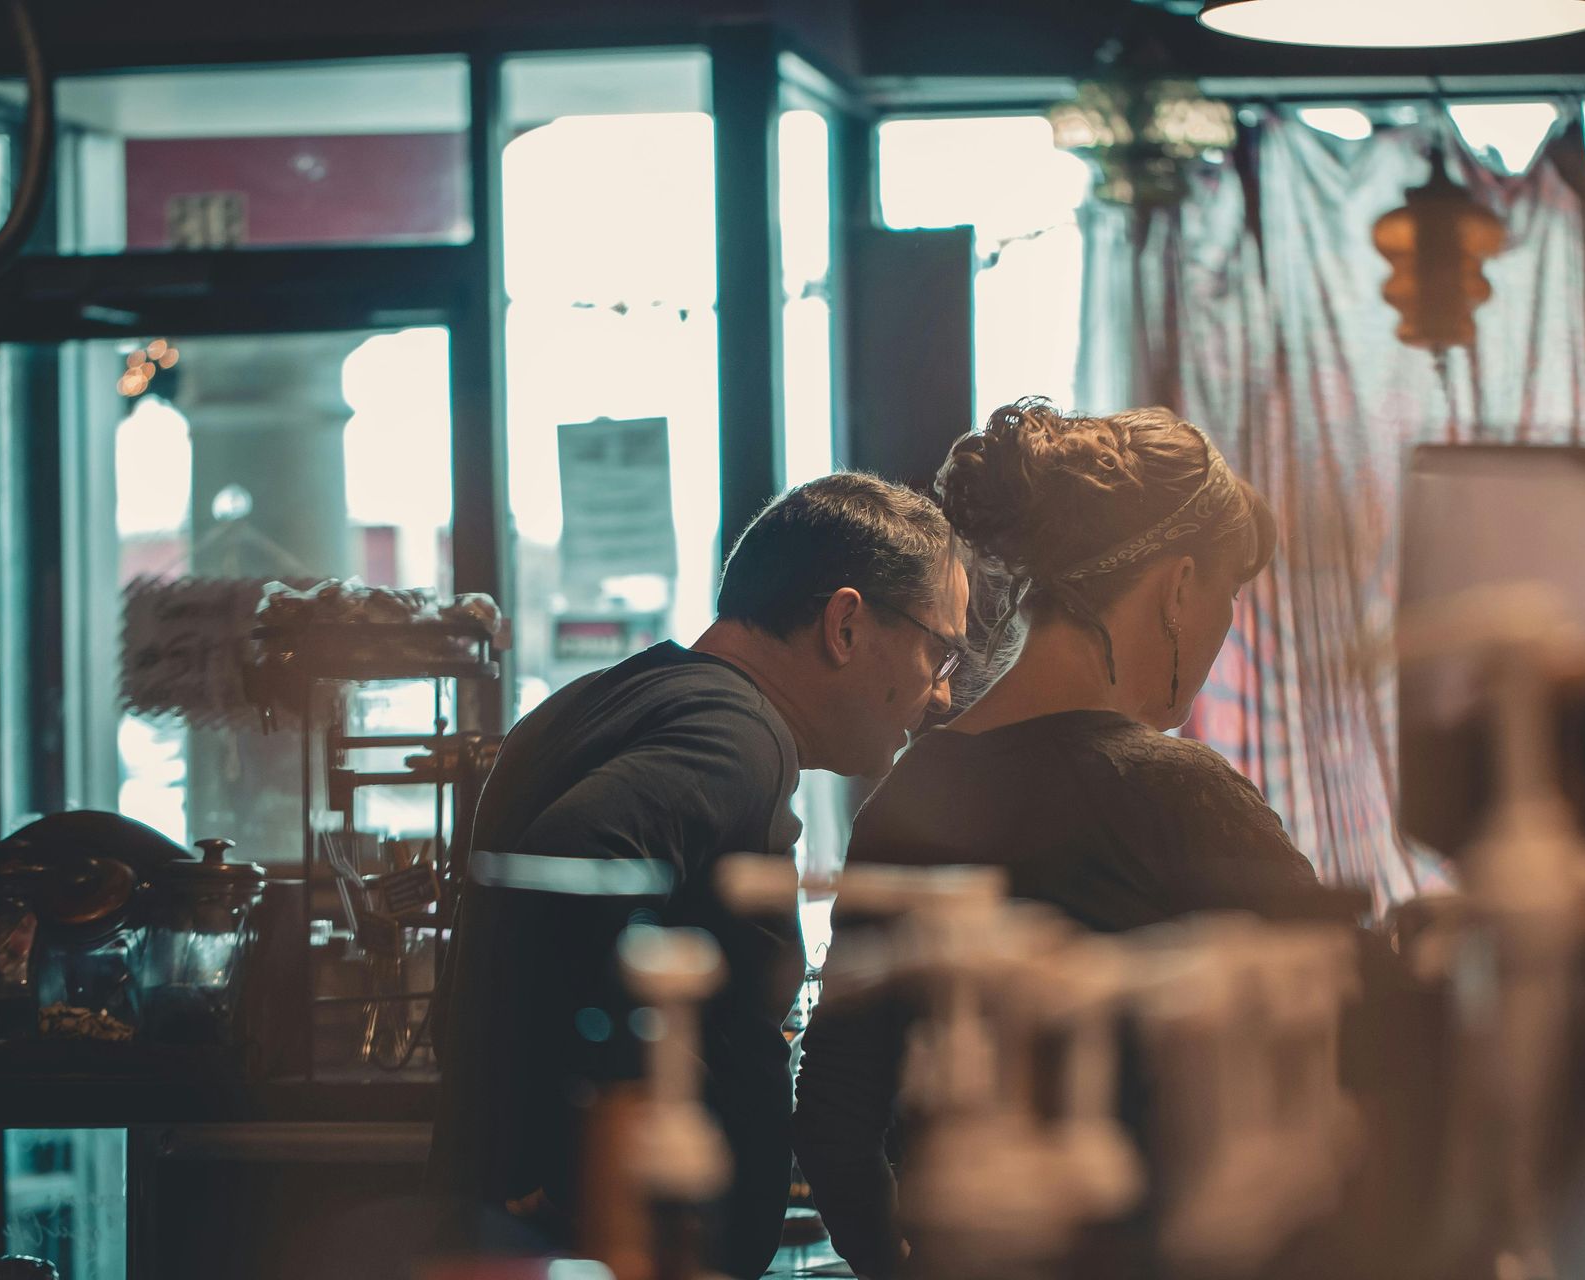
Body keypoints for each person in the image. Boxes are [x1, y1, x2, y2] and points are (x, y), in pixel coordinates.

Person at [791, 399, 1329, 1279]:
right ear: (1180, 585)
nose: (1225, 630)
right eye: (1228, 596)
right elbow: (1360, 1045)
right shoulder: (1175, 795)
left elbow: (835, 1119)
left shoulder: (909, 796)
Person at [427, 472, 969, 1280]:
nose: (943, 691)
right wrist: (569, 1172)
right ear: (846, 624)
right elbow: (563, 873)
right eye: (940, 647)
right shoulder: (736, 735)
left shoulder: (601, 699)